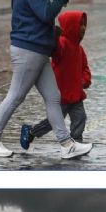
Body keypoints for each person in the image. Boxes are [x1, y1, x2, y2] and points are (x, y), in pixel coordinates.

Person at [0, 0, 93, 159]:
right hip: (29, 50)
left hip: (37, 50)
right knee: (16, 96)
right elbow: (46, 14)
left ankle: (66, 144)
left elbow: (39, 17)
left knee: (53, 97)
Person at [20, 10, 91, 148]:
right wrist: (55, 38)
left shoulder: (79, 49)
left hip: (76, 95)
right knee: (53, 122)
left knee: (80, 118)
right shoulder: (63, 43)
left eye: (84, 25)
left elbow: (85, 68)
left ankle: (77, 142)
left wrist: (85, 80)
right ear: (71, 26)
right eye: (80, 24)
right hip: (61, 94)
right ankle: (31, 132)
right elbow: (56, 52)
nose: (83, 28)